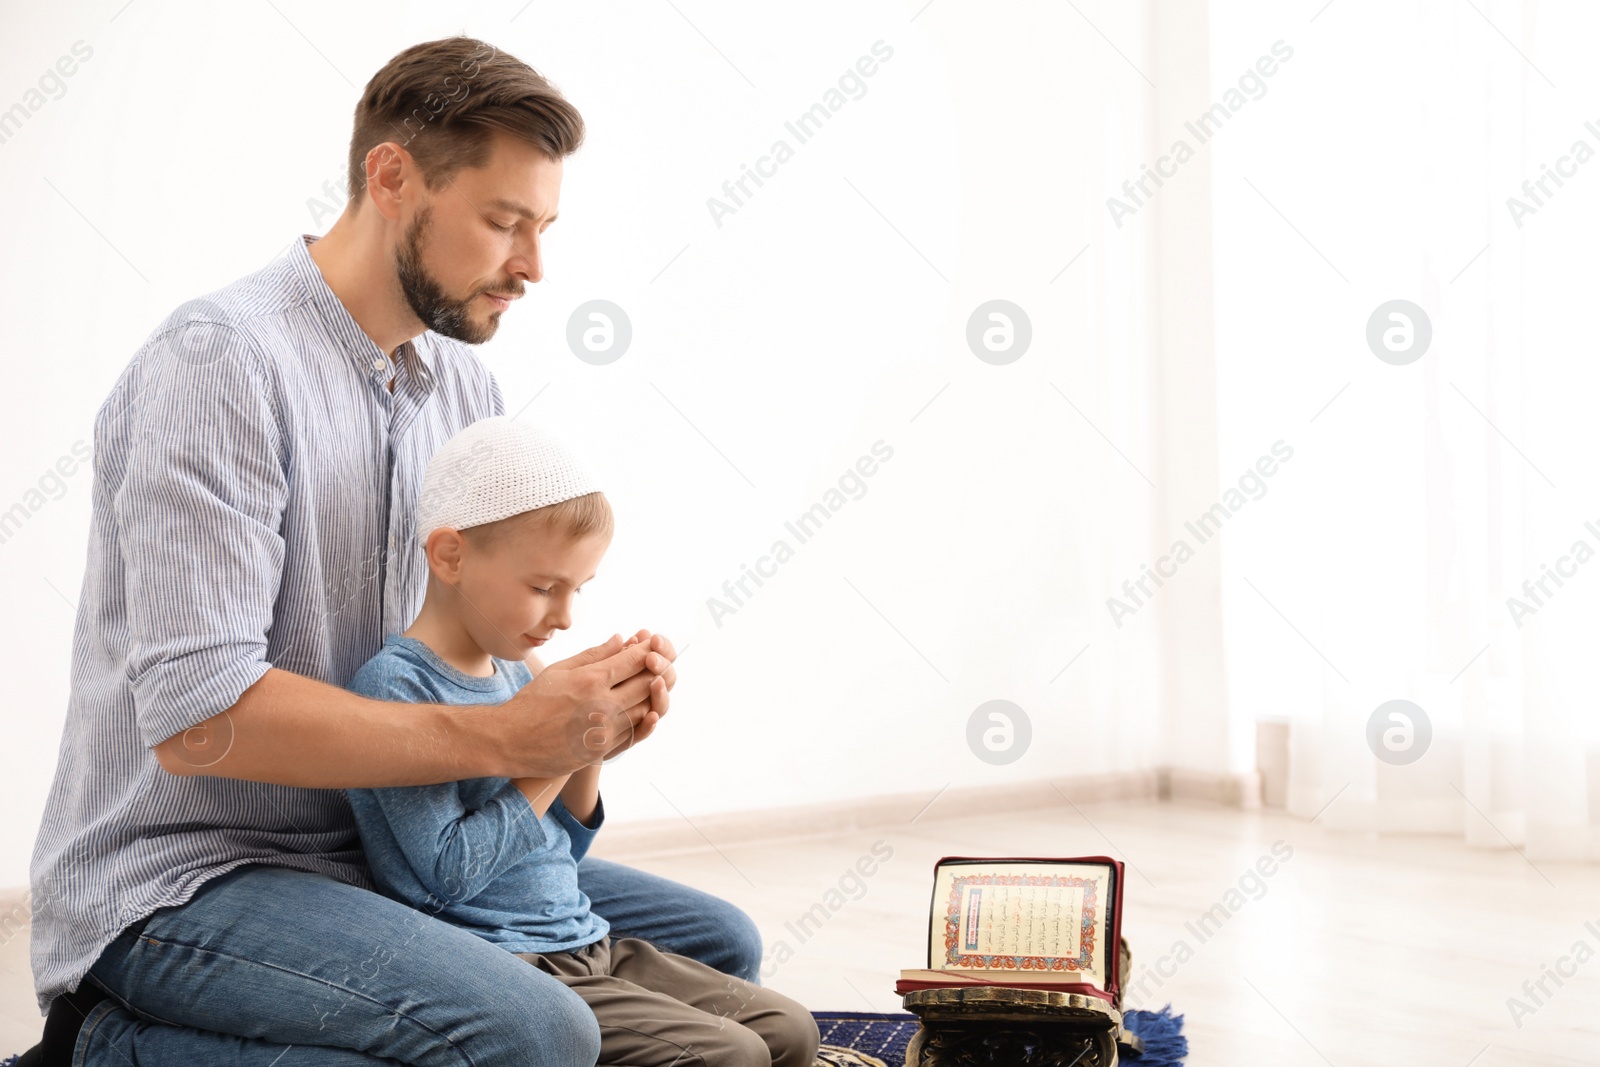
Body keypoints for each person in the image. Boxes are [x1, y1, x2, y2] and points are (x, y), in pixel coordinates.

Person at [22, 35, 761, 1067]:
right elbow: (199, 723)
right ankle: (107, 1042)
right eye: (504, 222)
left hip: (392, 847)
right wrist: (510, 737)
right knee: (536, 1026)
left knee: (721, 942)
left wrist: (578, 716)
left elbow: (471, 647)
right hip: (196, 871)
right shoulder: (220, 364)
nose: (533, 266)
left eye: (542, 228)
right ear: (391, 177)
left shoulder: (464, 392)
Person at [343, 417, 819, 1067]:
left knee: (791, 1030)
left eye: (578, 589)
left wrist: (597, 740)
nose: (566, 616)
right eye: (544, 588)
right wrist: (558, 751)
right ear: (451, 556)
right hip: (513, 963)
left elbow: (558, 848)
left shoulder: (518, 673)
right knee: (731, 1053)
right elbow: (444, 878)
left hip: (586, 939)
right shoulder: (395, 687)